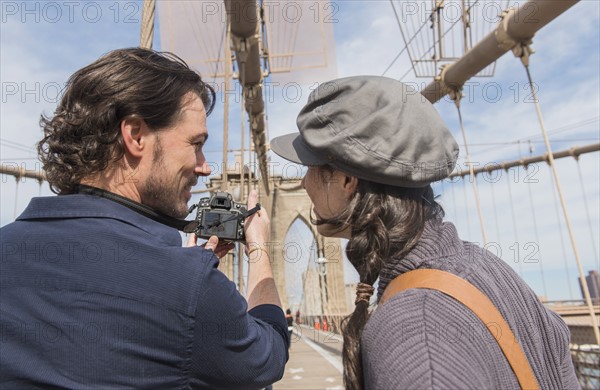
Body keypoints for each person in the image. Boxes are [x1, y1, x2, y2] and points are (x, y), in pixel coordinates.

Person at [0, 48, 288, 388]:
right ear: (135, 136)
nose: (204, 166)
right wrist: (257, 252)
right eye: (196, 144)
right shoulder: (190, 286)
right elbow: (266, 359)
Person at [270, 76, 580, 390]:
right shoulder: (491, 269)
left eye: (308, 167)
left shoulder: (416, 330)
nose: (304, 183)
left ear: (347, 180)